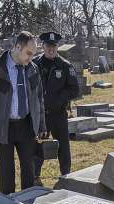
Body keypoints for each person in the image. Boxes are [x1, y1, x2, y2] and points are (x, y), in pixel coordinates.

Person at [0, 31, 46, 194]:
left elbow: (38, 99)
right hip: (3, 127)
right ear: (17, 47)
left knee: (29, 168)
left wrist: (41, 125)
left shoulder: (32, 69)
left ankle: (29, 202)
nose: (31, 58)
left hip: (26, 125)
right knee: (6, 170)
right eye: (28, 53)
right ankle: (8, 202)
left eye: (33, 54)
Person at [33, 31, 80, 181]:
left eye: (54, 46)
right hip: (40, 115)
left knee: (63, 147)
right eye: (48, 46)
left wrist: (60, 99)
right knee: (37, 146)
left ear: (57, 46)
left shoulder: (65, 66)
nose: (51, 49)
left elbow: (74, 89)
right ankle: (35, 176)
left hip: (58, 113)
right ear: (43, 46)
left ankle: (66, 175)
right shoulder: (34, 64)